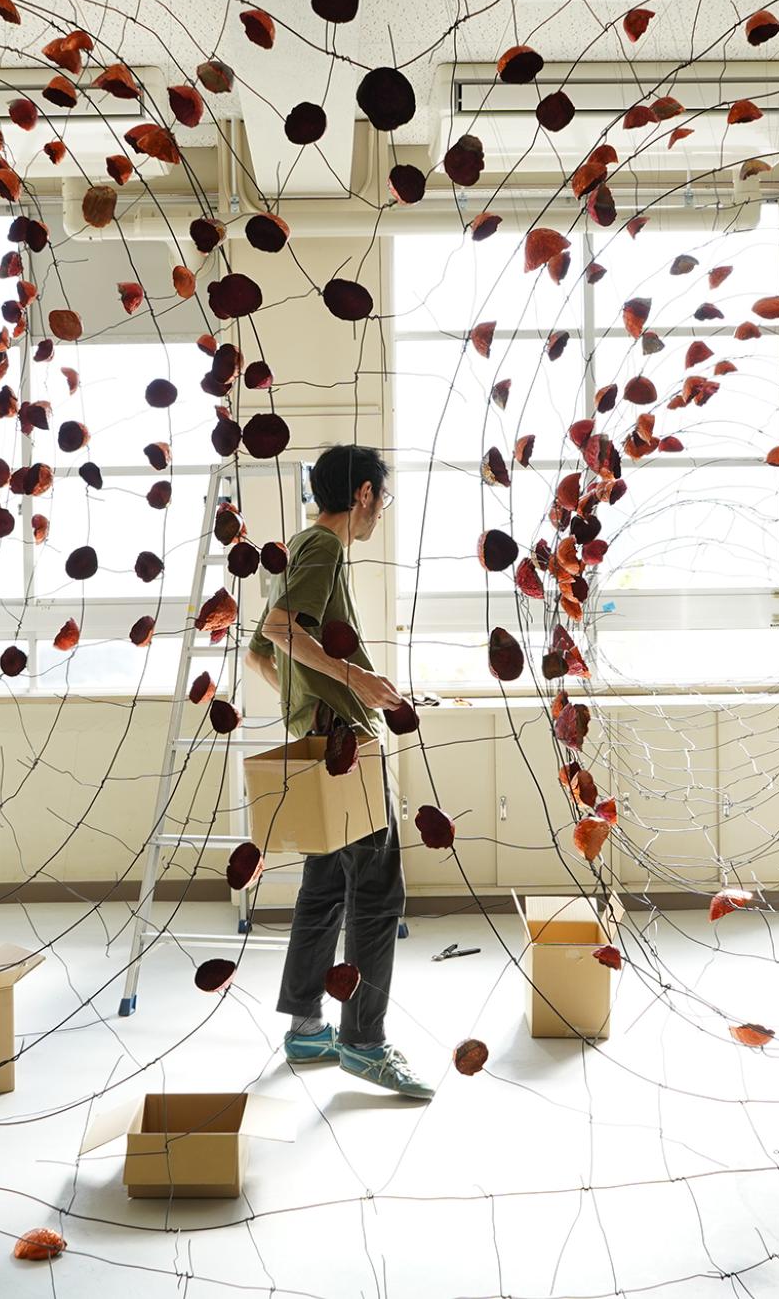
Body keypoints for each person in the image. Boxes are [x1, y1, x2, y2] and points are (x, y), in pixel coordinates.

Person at [244, 444, 434, 1099]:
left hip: (321, 736)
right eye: (381, 497)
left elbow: (261, 655)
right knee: (378, 893)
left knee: (325, 886)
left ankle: (304, 1027)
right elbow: (279, 630)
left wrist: (307, 704)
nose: (380, 510)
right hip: (344, 743)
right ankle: (364, 1042)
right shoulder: (323, 549)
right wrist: (354, 684)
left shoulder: (298, 547)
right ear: (362, 496)